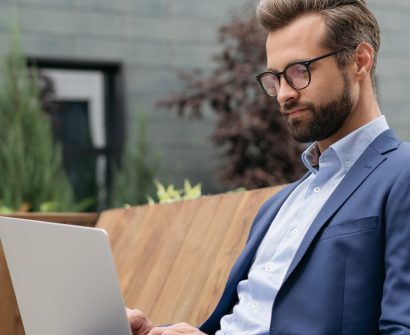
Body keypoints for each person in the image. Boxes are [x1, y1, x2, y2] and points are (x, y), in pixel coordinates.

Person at [127, 0, 410, 334]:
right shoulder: (276, 207)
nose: (283, 95)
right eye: (275, 78)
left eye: (299, 72)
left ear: (360, 61)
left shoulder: (401, 174)